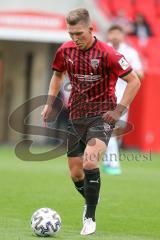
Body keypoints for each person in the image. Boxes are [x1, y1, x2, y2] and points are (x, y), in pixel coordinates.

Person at [41, 8, 141, 236]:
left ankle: (89, 217)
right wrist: (49, 103)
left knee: (89, 162)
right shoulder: (65, 51)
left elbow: (134, 81)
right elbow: (57, 75)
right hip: (76, 116)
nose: (75, 39)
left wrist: (118, 110)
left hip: (102, 115)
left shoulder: (109, 53)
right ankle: (92, 195)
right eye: (71, 33)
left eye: (79, 34)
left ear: (91, 29)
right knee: (76, 173)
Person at [103, 24, 143, 175]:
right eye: (112, 33)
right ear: (108, 35)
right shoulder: (102, 50)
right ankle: (113, 164)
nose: (114, 36)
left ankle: (108, 161)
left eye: (117, 33)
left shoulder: (130, 53)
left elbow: (140, 74)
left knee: (117, 130)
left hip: (124, 96)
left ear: (122, 36)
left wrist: (126, 71)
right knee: (110, 128)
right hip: (105, 96)